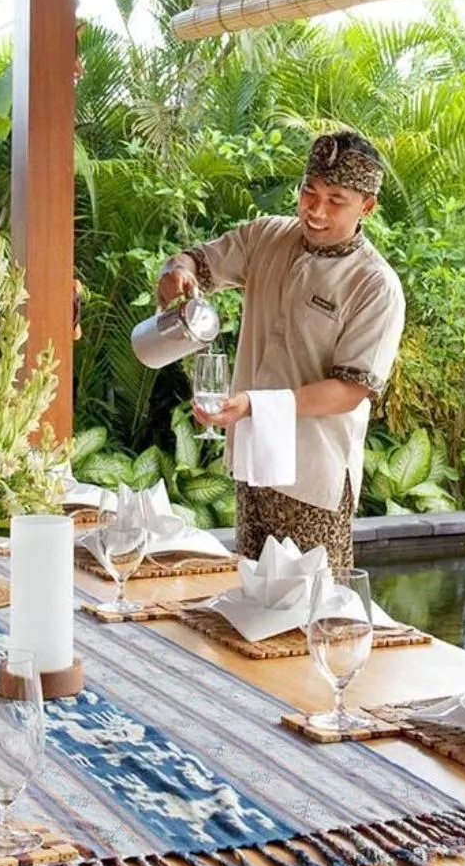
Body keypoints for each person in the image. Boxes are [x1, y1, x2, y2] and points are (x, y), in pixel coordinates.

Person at [155, 131, 406, 572]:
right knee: (251, 599)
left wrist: (254, 404)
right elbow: (197, 261)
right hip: (252, 464)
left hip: (313, 478)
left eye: (335, 200)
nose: (315, 209)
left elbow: (350, 391)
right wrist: (176, 271)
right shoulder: (267, 237)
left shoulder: (375, 286)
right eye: (309, 191)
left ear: (367, 206)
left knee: (314, 614)